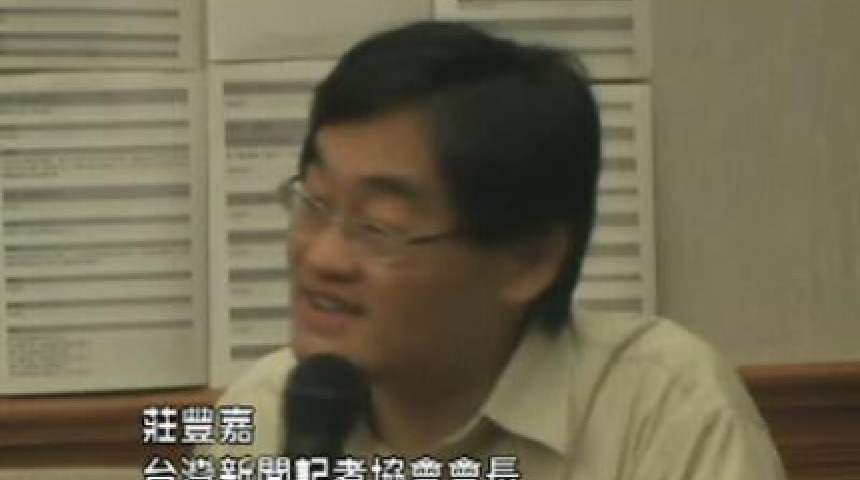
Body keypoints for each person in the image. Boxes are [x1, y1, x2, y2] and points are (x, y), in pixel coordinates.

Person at [206, 21, 786, 479]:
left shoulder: (661, 408)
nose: (322, 257)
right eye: (314, 202)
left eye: (380, 227)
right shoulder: (264, 412)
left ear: (528, 260)